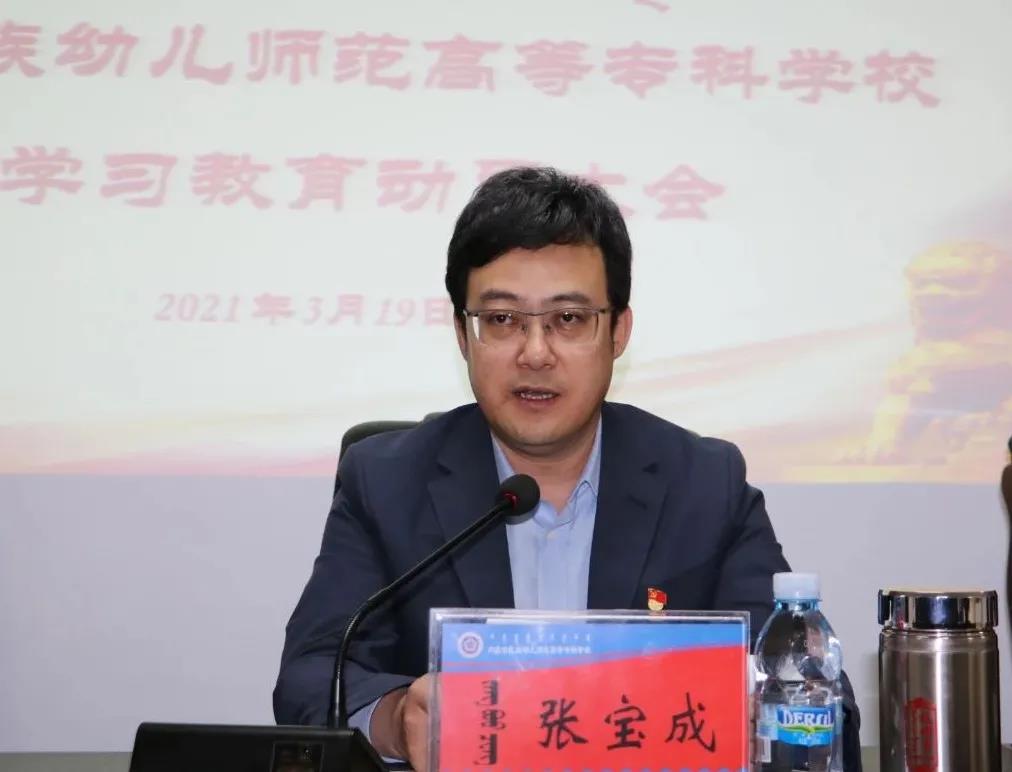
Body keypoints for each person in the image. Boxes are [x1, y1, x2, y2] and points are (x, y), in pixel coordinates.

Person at [273, 167, 862, 770]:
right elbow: (310, 676)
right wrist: (397, 720)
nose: (535, 353)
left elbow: (817, 695)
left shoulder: (703, 484)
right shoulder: (386, 480)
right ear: (462, 335)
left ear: (618, 332)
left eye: (569, 319)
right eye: (502, 320)